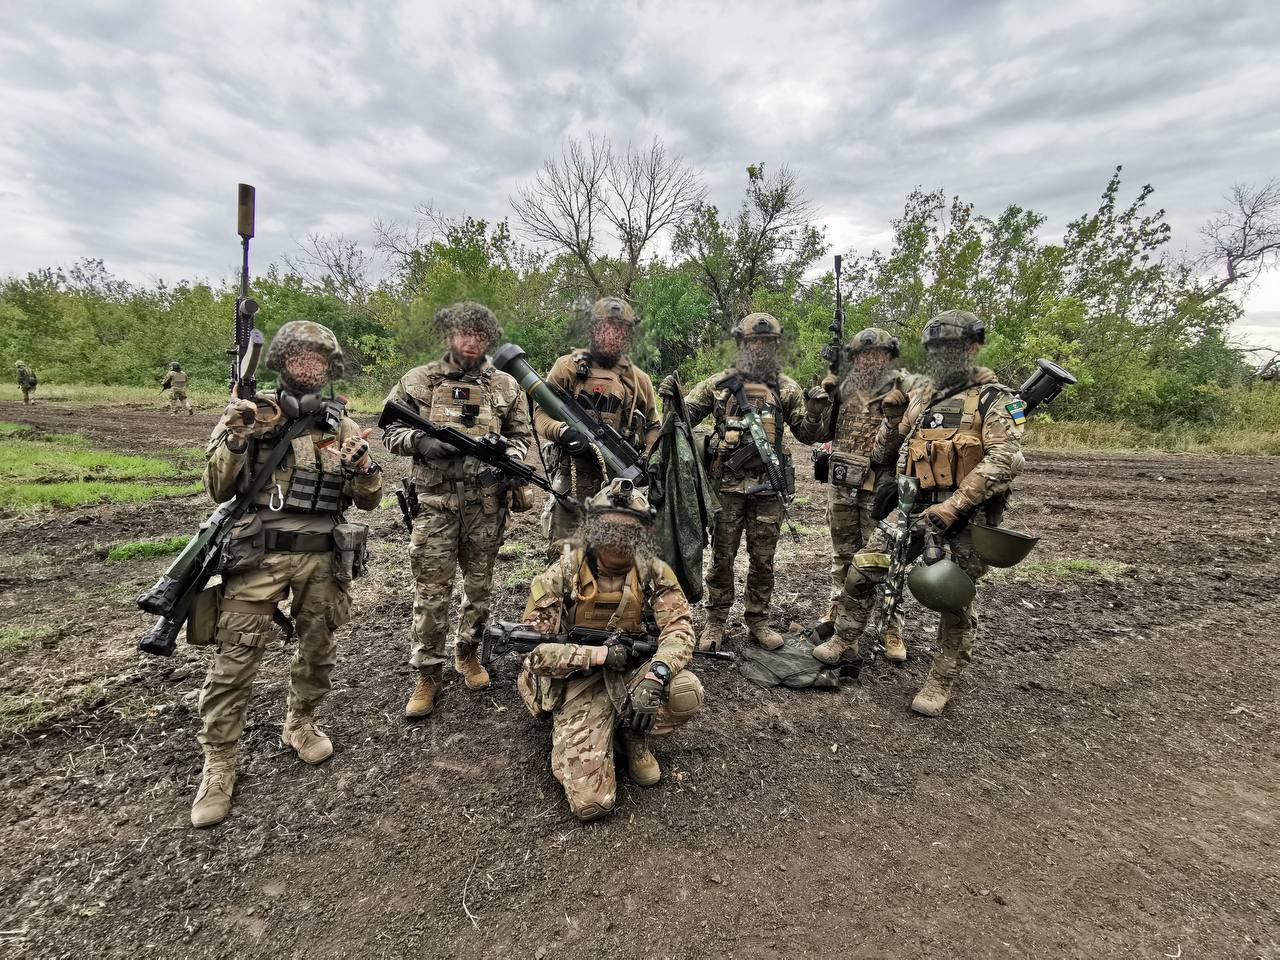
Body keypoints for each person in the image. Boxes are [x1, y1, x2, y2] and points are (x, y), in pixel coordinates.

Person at [192, 320, 383, 828]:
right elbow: (216, 488)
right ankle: (219, 762)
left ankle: (300, 722)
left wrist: (364, 468)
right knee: (235, 658)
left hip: (321, 555)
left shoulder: (339, 423)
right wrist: (235, 437)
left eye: (317, 359)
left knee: (318, 648)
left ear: (328, 367)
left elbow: (371, 498)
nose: (307, 365)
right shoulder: (248, 414)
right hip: (258, 556)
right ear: (281, 361)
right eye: (298, 357)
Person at [813, 310, 1025, 716]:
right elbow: (883, 453)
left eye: (950, 348)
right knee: (863, 570)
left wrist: (954, 506)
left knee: (953, 597)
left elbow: (1005, 460)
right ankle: (844, 638)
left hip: (964, 516)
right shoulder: (923, 396)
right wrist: (892, 421)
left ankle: (941, 678)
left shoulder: (996, 399)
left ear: (972, 348)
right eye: (934, 349)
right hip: (912, 507)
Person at [517, 478, 703, 821]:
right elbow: (534, 651)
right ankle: (581, 731)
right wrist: (599, 655)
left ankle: (632, 735)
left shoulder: (654, 572)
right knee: (592, 804)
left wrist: (657, 673)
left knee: (685, 691)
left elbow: (679, 629)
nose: (619, 539)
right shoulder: (563, 573)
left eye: (630, 531)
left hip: (629, 673)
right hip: (578, 679)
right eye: (610, 528)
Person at [381, 301, 533, 719]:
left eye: (479, 334)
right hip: (435, 506)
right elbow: (390, 431)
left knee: (479, 589)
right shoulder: (420, 380)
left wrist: (507, 451)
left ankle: (467, 654)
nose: (471, 341)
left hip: (485, 506)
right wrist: (422, 443)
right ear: (449, 336)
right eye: (463, 332)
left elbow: (522, 437)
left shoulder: (505, 386)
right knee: (431, 595)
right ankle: (428, 674)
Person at [661, 313, 829, 651]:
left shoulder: (787, 388)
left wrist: (815, 412)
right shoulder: (718, 384)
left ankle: (758, 620)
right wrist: (671, 398)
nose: (760, 349)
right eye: (754, 342)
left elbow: (809, 436)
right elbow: (681, 419)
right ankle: (716, 620)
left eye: (767, 344)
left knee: (763, 560)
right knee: (722, 557)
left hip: (768, 489)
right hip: (727, 487)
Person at [813, 328, 925, 662]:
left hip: (880, 488)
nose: (869, 360)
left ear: (890, 356)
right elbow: (820, 433)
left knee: (884, 560)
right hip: (842, 483)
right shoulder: (845, 387)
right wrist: (820, 402)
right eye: (863, 355)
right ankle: (837, 610)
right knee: (843, 555)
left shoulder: (905, 388)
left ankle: (891, 625)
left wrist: (893, 417)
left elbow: (893, 450)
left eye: (877, 353)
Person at [533, 297, 660, 557]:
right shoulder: (567, 367)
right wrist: (564, 432)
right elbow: (541, 415)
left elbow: (653, 425)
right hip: (573, 480)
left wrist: (648, 457)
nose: (613, 334)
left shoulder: (639, 380)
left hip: (620, 486)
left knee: (616, 559)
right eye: (606, 327)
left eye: (620, 329)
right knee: (564, 556)